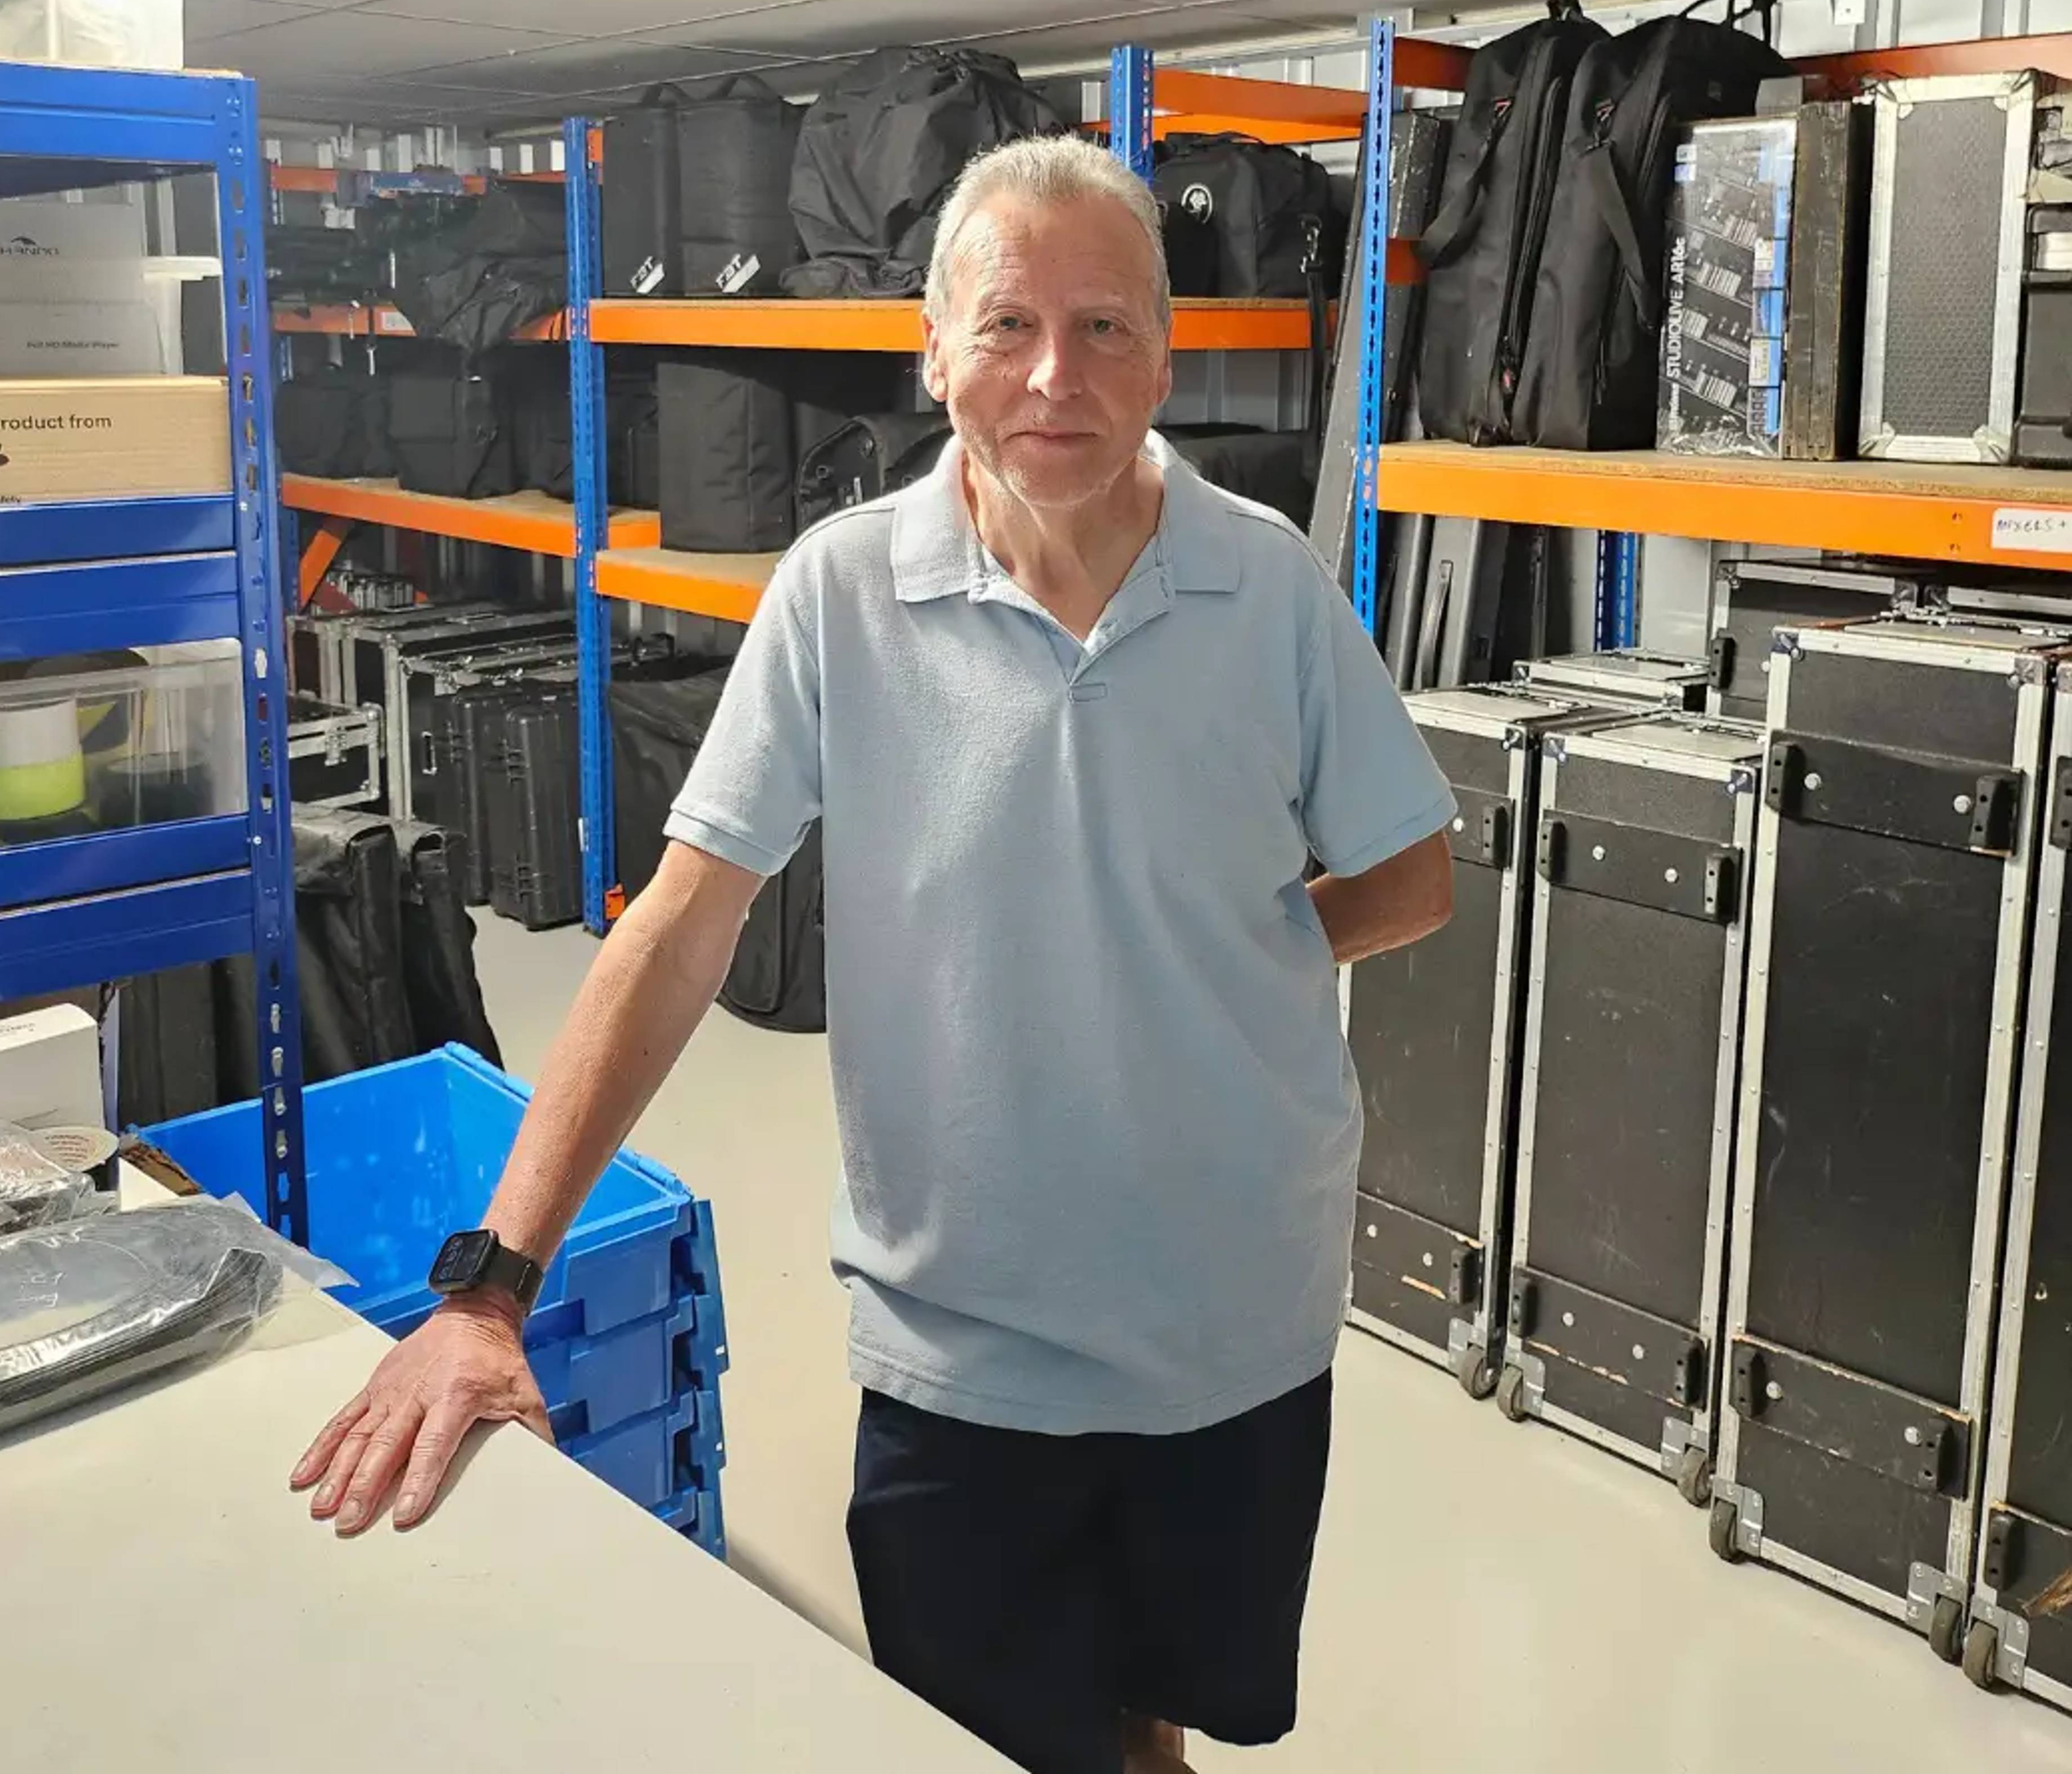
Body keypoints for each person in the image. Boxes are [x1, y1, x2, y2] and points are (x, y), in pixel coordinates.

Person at [292, 135, 1456, 1774]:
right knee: (977, 1738)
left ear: (1166, 358)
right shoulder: (841, 595)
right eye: (1007, 325)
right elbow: (680, 929)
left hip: (1237, 1322)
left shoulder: (1269, 586)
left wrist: (1221, 958)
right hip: (961, 1345)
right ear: (934, 351)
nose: (1055, 376)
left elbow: (1411, 877)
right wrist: (493, 1286)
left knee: (1157, 1726)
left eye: (1106, 328)